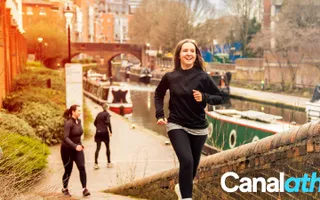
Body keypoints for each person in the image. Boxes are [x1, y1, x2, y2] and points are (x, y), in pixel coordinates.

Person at [154, 39, 224, 200]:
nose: (189, 54)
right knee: (186, 160)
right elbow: (158, 94)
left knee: (192, 166)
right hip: (176, 124)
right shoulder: (170, 77)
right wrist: (159, 114)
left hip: (199, 127)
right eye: (185, 51)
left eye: (192, 51)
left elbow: (220, 97)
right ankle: (187, 198)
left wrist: (204, 97)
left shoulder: (203, 77)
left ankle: (181, 188)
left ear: (196, 55)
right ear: (179, 54)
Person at [61, 104, 90, 197]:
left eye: (81, 111)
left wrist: (80, 144)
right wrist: (74, 146)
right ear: (73, 112)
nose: (80, 112)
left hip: (78, 148)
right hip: (67, 150)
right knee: (68, 170)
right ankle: (65, 189)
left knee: (82, 167)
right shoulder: (68, 123)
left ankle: (84, 189)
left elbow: (77, 135)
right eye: (78, 111)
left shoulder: (79, 121)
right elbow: (66, 137)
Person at [93, 103, 114, 169]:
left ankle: (96, 164)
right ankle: (109, 163)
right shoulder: (107, 114)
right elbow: (108, 122)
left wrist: (99, 127)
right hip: (104, 132)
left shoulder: (99, 114)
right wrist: (110, 131)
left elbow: (94, 123)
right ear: (107, 108)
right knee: (107, 148)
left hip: (98, 132)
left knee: (97, 148)